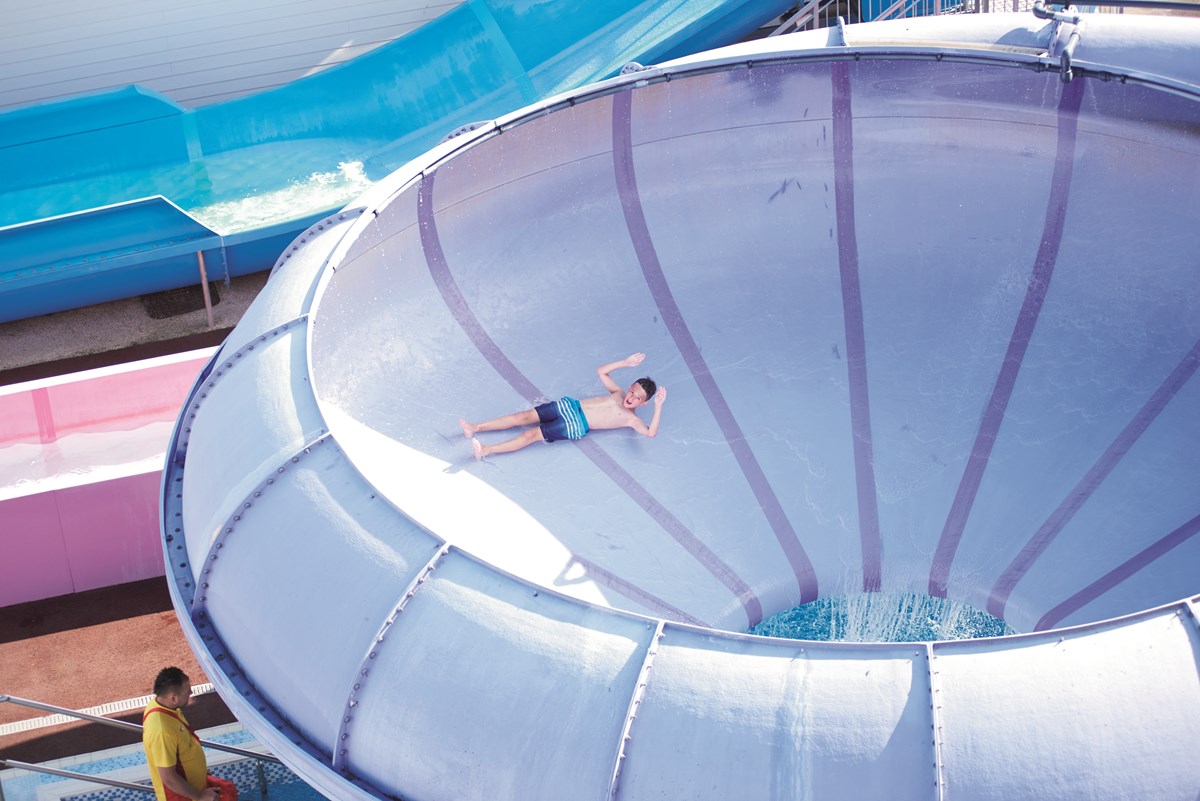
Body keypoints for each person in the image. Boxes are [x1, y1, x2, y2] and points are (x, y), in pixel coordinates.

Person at [460, 352, 667, 459]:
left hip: (575, 425)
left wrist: (658, 407)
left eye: (637, 397)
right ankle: (475, 427)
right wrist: (624, 363)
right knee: (523, 417)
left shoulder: (632, 419)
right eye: (632, 390)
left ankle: (486, 450)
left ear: (644, 402)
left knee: (530, 435)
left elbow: (650, 433)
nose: (630, 397)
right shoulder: (618, 393)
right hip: (568, 407)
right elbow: (602, 372)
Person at [142, 667, 238, 801]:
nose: (191, 692)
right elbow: (168, 778)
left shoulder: (167, 706)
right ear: (173, 698)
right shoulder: (162, 730)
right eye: (187, 692)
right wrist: (199, 796)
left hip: (195, 790)